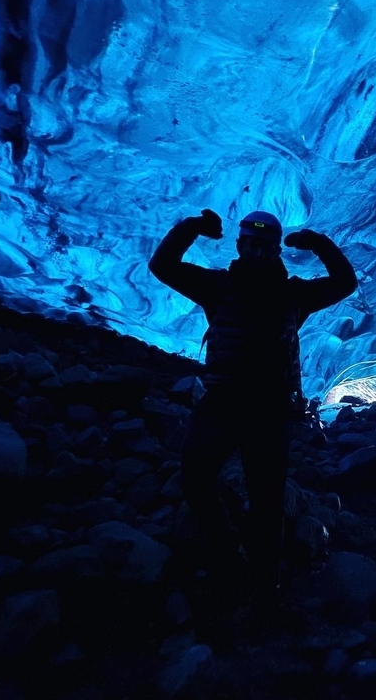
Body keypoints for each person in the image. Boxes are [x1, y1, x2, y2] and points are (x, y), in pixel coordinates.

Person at [148, 208, 357, 605]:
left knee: (266, 499)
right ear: (241, 246)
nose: (258, 252)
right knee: (196, 479)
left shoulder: (294, 294)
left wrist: (318, 244)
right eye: (251, 245)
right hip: (222, 405)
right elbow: (162, 265)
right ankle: (229, 556)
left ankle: (264, 583)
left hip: (268, 411)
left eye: (265, 246)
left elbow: (346, 282)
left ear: (275, 249)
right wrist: (193, 227)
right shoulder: (217, 286)